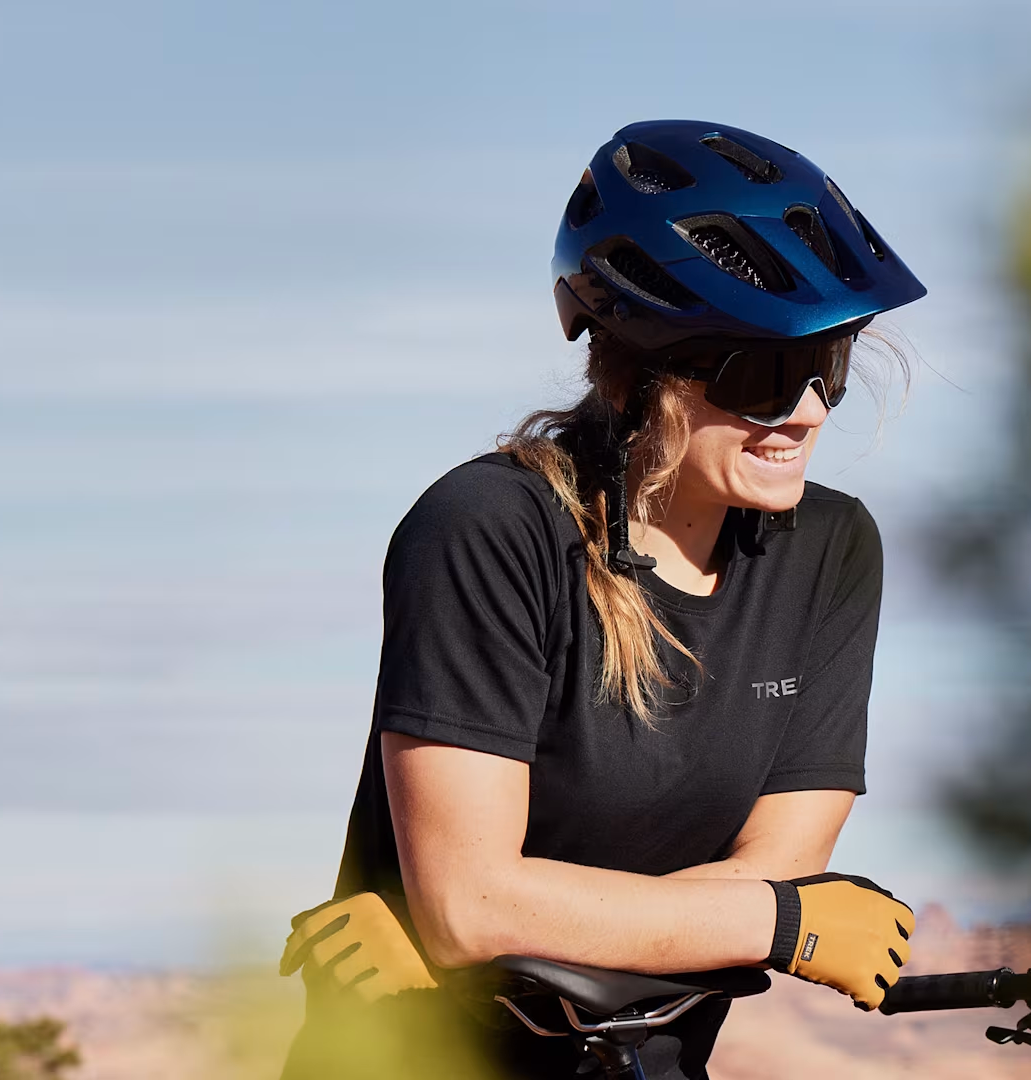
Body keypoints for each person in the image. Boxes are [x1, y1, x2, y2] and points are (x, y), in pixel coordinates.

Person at [276, 119, 929, 1079]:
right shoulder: (488, 530)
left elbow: (775, 866)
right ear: (637, 378)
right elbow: (474, 909)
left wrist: (511, 929)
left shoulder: (829, 549)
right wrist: (777, 924)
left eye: (826, 366)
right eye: (760, 376)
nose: (805, 413)